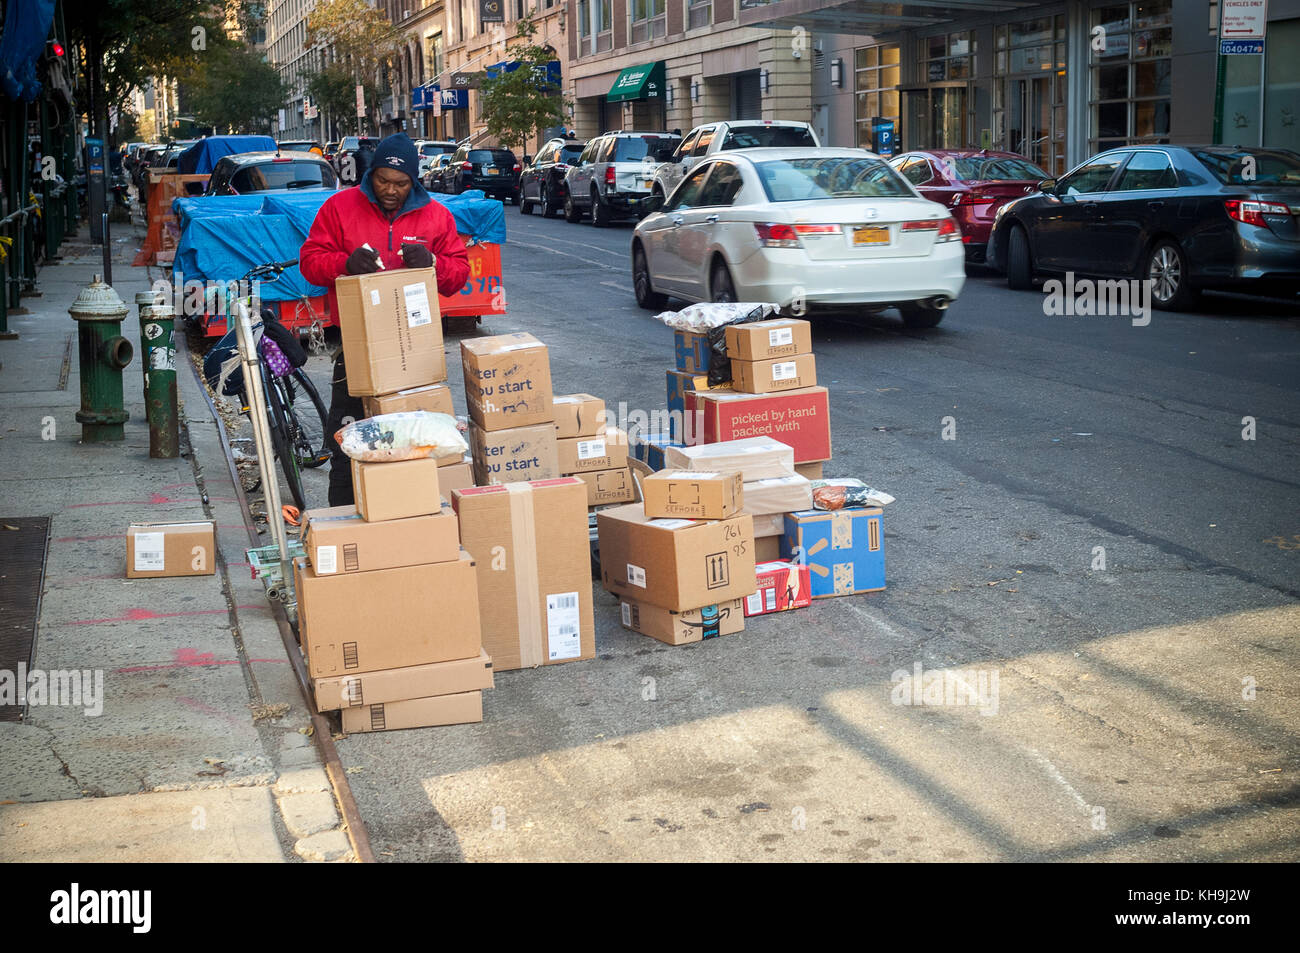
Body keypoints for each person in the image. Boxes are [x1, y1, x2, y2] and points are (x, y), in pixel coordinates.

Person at [299, 132, 470, 506]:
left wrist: (434, 264)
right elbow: (310, 262)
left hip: (416, 357)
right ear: (371, 174)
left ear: (414, 181)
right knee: (348, 443)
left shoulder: (436, 216)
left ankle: (411, 518)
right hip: (357, 352)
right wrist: (344, 264)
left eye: (400, 183)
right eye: (383, 181)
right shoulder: (340, 208)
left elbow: (459, 275)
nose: (390, 190)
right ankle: (345, 521)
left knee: (415, 446)